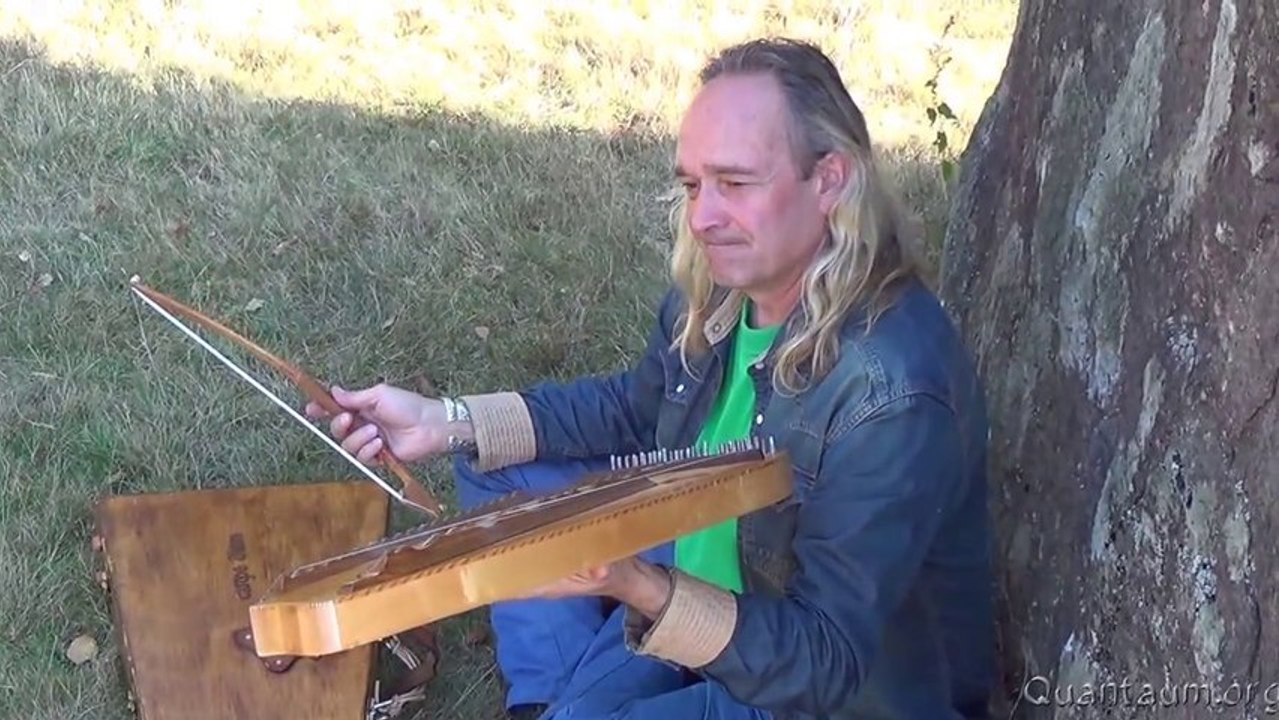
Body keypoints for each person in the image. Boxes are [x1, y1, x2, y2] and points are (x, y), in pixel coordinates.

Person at [306, 37, 995, 720]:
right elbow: (638, 411)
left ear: (829, 180)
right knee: (498, 470)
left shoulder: (889, 394)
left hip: (809, 686)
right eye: (692, 184)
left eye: (735, 183)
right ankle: (550, 697)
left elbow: (824, 666)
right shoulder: (726, 290)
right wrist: (441, 420)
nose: (701, 218)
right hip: (708, 562)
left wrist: (638, 585)